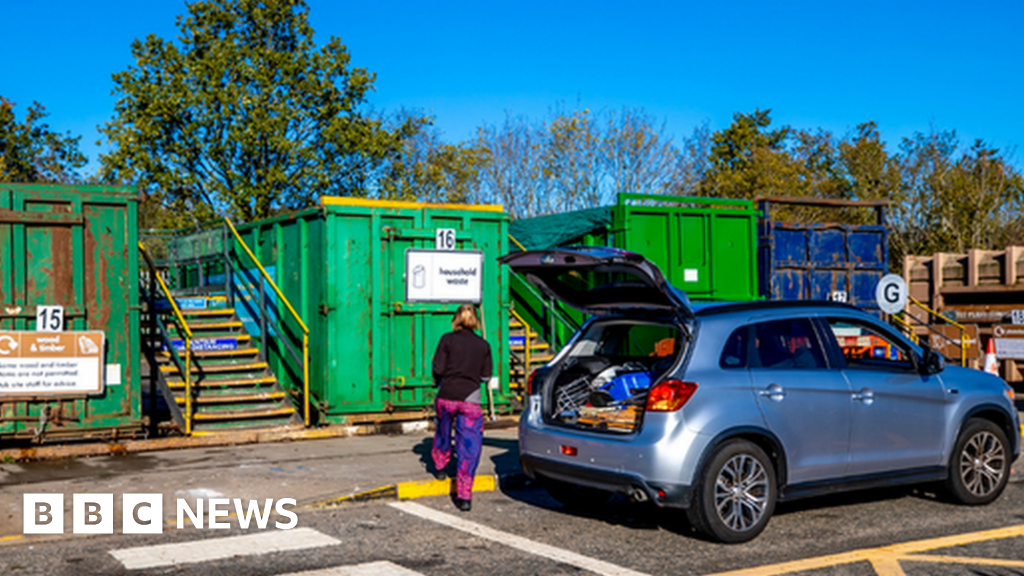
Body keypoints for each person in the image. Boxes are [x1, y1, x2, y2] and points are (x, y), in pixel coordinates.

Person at [431, 303, 492, 512]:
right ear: (475, 320)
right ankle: (465, 497)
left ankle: (440, 466)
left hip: (446, 395)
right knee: (469, 448)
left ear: (456, 319)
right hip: (470, 400)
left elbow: (438, 368)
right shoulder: (483, 346)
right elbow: (485, 377)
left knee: (443, 431)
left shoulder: (446, 339)